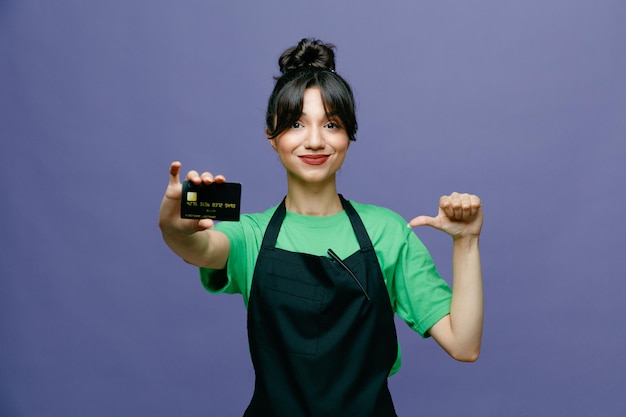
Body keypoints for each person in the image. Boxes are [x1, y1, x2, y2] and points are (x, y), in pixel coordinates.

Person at [158, 38, 484, 417]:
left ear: (348, 136)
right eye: (296, 124)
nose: (314, 140)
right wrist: (175, 226)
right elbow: (196, 247)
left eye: (331, 124)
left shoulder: (387, 231)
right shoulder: (250, 235)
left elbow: (464, 345)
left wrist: (467, 242)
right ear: (272, 136)